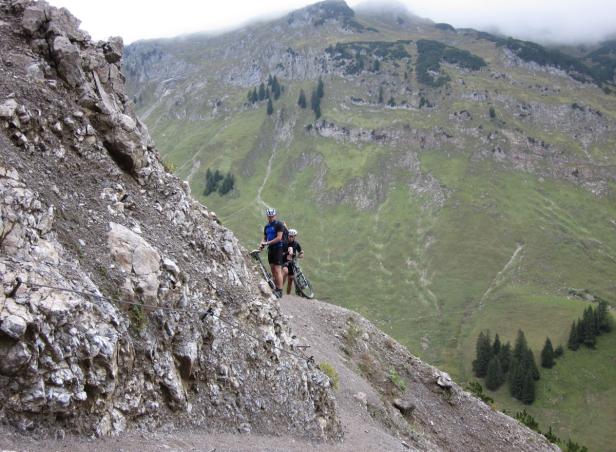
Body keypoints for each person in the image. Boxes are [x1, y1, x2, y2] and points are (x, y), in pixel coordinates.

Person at [259, 208, 285, 298]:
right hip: (270, 249)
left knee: (278, 270)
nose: (271, 218)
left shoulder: (279, 224)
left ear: (275, 216)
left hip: (278, 248)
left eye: (272, 216)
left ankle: (280, 290)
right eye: (269, 216)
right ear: (267, 216)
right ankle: (276, 288)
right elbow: (265, 237)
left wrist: (267, 243)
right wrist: (261, 244)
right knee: (273, 269)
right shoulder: (266, 226)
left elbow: (279, 237)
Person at [282, 228, 304, 295]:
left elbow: (301, 251)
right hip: (284, 262)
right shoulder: (284, 243)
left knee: (290, 280)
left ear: (294, 237)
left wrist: (301, 255)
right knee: (284, 274)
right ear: (287, 236)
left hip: (292, 263)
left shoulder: (296, 244)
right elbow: (280, 253)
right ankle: (279, 290)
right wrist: (287, 253)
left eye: (292, 236)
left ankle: (288, 296)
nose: (290, 238)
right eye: (289, 236)